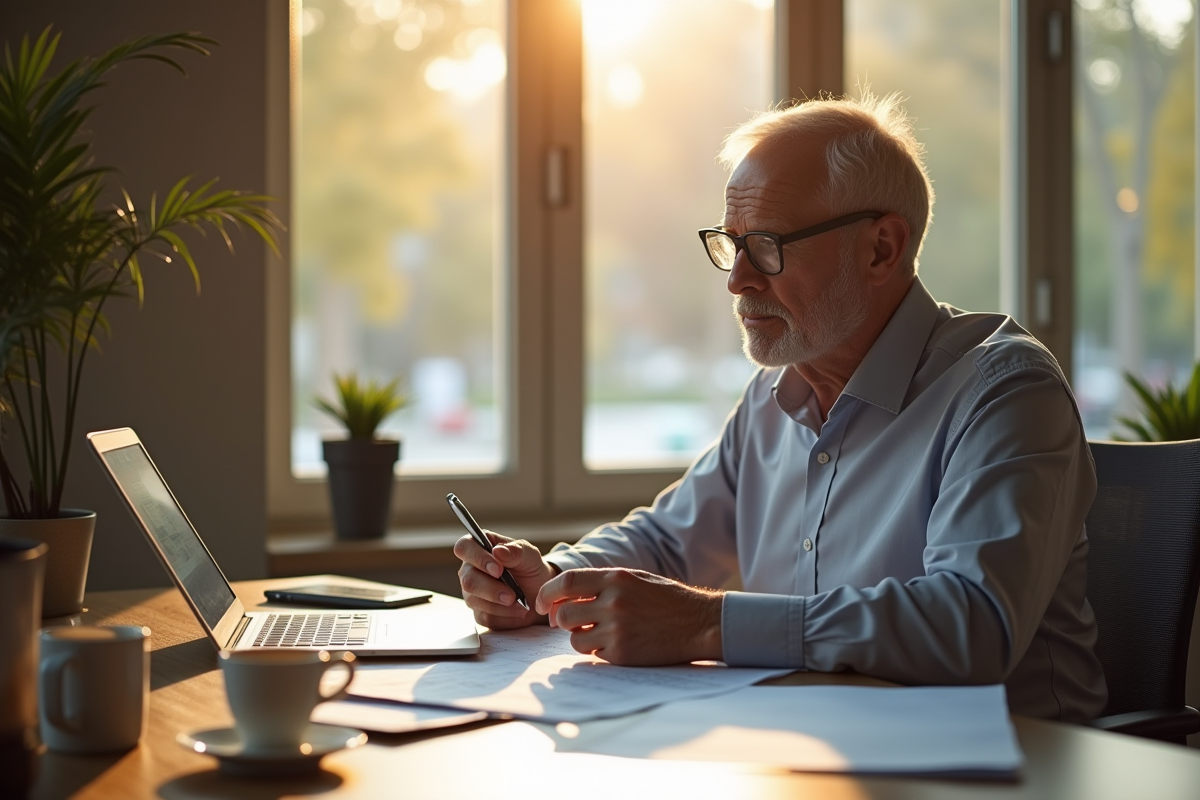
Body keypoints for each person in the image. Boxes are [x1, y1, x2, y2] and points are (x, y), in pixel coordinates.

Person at [454, 92, 1108, 723]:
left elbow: (971, 626)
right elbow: (665, 541)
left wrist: (706, 623)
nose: (738, 279)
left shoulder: (1004, 390)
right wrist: (555, 579)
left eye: (766, 245)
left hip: (1014, 766)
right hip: (819, 750)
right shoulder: (774, 395)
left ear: (881, 248)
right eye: (729, 243)